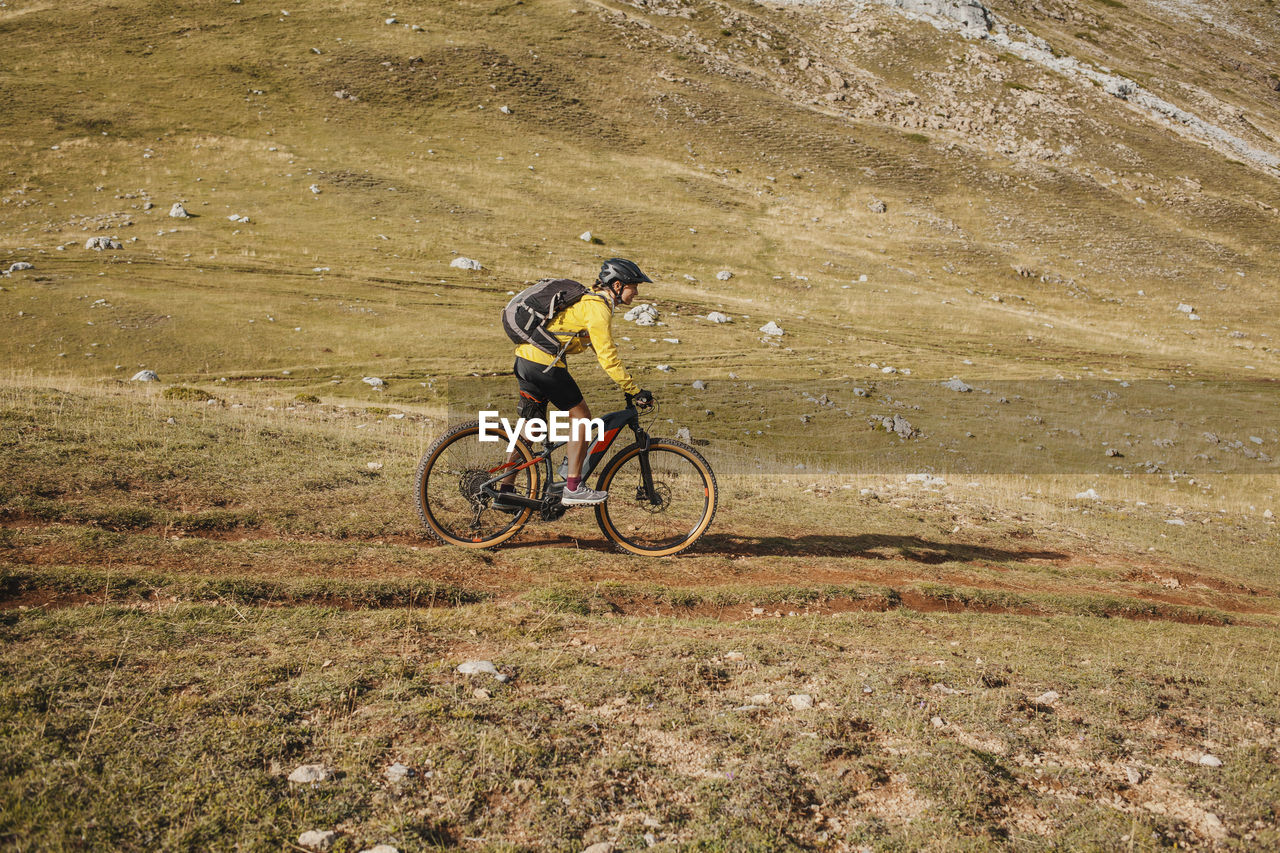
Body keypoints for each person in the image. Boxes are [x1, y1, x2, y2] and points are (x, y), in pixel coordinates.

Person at [500, 258, 655, 506]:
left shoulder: (588, 302)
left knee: (532, 428)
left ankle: (505, 491)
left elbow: (594, 345)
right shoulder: (598, 308)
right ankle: (573, 487)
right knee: (581, 417)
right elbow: (607, 355)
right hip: (545, 364)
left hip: (526, 360)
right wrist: (633, 389)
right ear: (617, 285)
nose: (636, 292)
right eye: (633, 286)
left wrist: (624, 383)